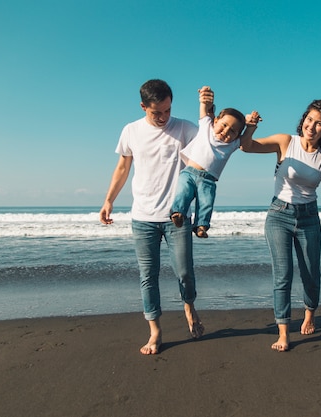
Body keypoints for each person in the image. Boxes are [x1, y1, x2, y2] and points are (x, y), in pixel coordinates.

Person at [240, 99, 321, 352]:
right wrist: (250, 127)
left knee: (311, 273)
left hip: (309, 218)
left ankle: (310, 313)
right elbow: (247, 147)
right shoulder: (285, 142)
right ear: (303, 120)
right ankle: (283, 331)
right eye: (309, 120)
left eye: (319, 123)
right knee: (283, 274)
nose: (312, 126)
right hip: (279, 215)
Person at [99, 79, 205, 355]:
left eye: (168, 110)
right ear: (143, 106)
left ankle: (189, 307)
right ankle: (155, 331)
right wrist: (109, 200)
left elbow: (209, 138)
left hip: (177, 217)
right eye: (156, 112)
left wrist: (207, 107)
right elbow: (123, 167)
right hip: (143, 217)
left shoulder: (184, 128)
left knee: (184, 272)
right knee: (148, 275)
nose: (163, 117)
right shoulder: (131, 131)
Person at [170, 86, 249, 238]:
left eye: (232, 131)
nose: (226, 131)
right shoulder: (206, 126)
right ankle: (177, 213)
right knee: (182, 193)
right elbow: (204, 109)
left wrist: (252, 126)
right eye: (224, 125)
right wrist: (204, 97)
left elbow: (245, 139)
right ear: (216, 120)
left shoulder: (231, 145)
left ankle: (201, 226)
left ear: (236, 136)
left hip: (208, 180)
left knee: (206, 203)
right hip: (189, 173)